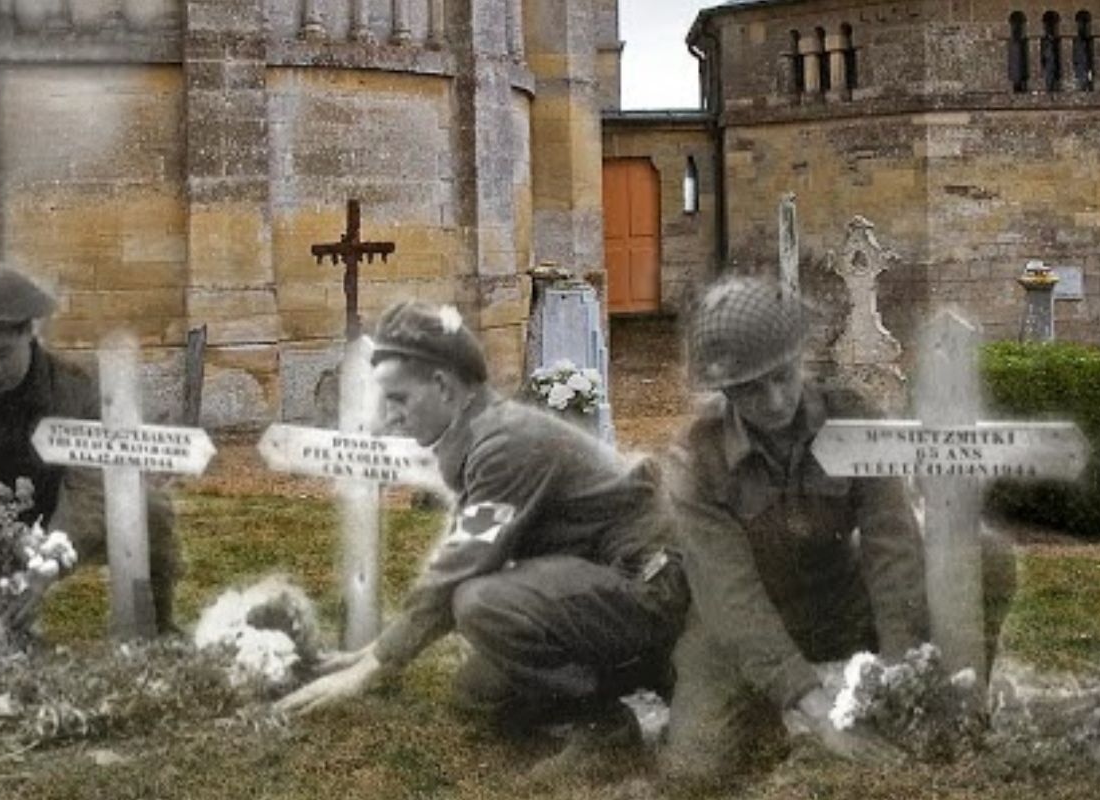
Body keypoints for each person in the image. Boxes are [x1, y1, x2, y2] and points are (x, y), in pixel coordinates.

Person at [277, 302, 687, 779]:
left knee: (480, 602)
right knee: (478, 695)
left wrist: (376, 666)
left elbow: (463, 565)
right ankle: (624, 679)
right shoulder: (484, 434)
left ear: (444, 388)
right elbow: (463, 547)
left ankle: (606, 727)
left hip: (653, 588)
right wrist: (374, 652)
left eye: (399, 399)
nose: (389, 418)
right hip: (611, 581)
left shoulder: (505, 445)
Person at [659, 277, 1015, 787]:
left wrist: (898, 677)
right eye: (751, 389)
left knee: (987, 554)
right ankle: (763, 717)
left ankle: (962, 704)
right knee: (695, 768)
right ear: (726, 391)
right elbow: (729, 597)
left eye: (782, 376)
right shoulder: (697, 460)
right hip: (742, 623)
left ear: (799, 360)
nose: (776, 399)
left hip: (840, 597)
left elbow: (891, 547)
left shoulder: (853, 419)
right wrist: (815, 709)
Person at [0, 264, 183, 635]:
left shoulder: (76, 386)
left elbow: (90, 489)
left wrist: (43, 569)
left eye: (0, 353)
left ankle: (157, 629)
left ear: (28, 334)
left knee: (150, 511)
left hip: (62, 504)